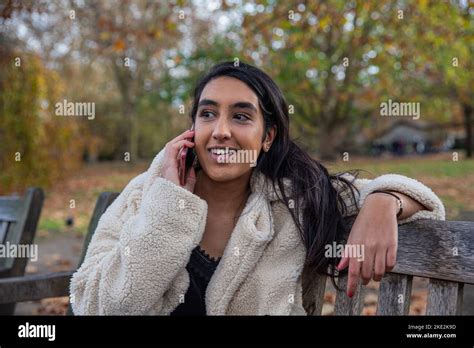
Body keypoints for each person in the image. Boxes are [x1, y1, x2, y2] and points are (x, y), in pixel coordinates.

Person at [70, 62, 445, 315]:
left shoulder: (297, 200)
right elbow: (92, 305)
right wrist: (169, 210)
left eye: (241, 116)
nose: (220, 130)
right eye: (208, 113)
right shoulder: (146, 194)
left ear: (267, 137)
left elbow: (429, 207)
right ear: (192, 129)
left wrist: (382, 202)